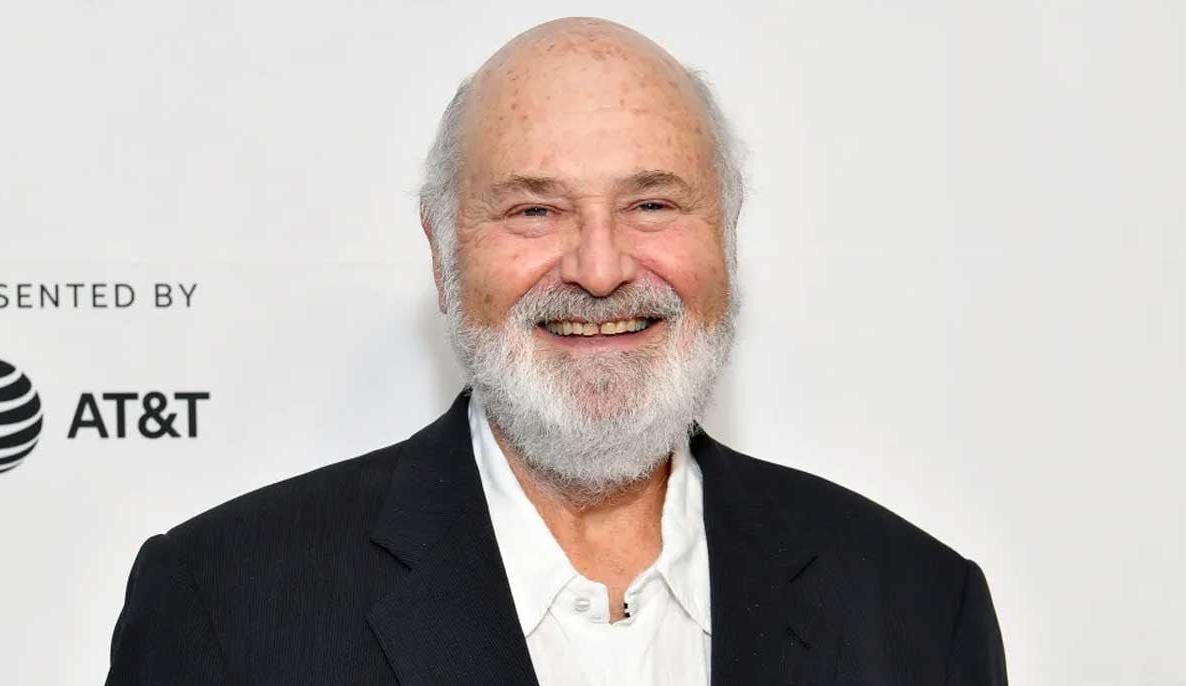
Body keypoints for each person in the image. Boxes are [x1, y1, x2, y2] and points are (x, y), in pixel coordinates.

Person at [105, 17, 1006, 685]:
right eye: (534, 210)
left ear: (726, 238)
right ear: (443, 252)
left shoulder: (917, 608)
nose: (600, 269)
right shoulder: (226, 605)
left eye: (652, 205)